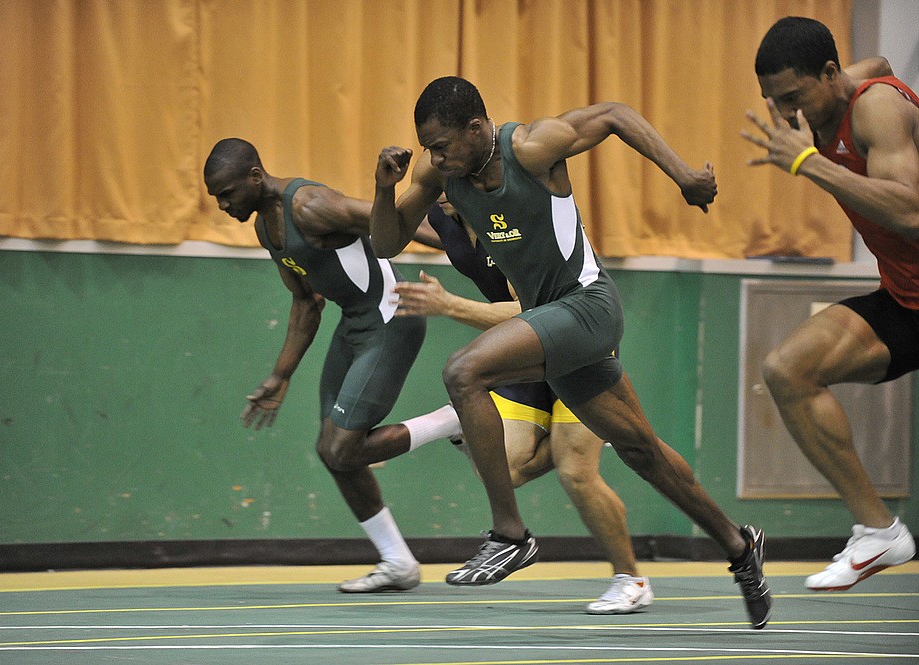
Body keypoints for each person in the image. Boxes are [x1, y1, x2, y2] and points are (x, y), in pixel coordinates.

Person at [369, 76, 772, 629]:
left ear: (476, 127)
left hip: (588, 305)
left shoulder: (531, 148)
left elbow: (614, 114)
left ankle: (509, 534)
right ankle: (738, 545)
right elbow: (387, 243)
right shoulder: (440, 172)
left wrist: (683, 177)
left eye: (443, 144)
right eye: (428, 148)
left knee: (464, 371)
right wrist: (383, 190)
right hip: (552, 324)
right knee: (641, 450)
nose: (435, 157)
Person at [204, 138, 465, 593]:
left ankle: (453, 420)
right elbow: (307, 304)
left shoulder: (309, 205)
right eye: (216, 198)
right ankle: (398, 563)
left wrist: (463, 247)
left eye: (227, 193)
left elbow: (390, 219)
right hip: (354, 326)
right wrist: (281, 375)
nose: (223, 204)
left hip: (390, 320)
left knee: (344, 448)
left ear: (254, 176)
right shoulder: (267, 228)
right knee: (332, 452)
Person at [398, 198, 653, 614]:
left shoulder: (514, 221)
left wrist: (451, 306)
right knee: (507, 469)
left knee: (577, 472)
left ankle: (632, 579)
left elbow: (531, 311)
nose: (442, 171)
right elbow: (391, 227)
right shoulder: (444, 217)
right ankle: (570, 434)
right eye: (434, 161)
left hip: (574, 341)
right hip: (523, 354)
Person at [742, 17, 917, 591]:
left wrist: (807, 161)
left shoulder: (876, 110)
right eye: (772, 100)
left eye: (792, 97)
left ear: (828, 74)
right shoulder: (836, 95)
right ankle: (877, 531)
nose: (784, 112)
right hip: (907, 298)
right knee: (787, 370)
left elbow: (911, 216)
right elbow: (880, 65)